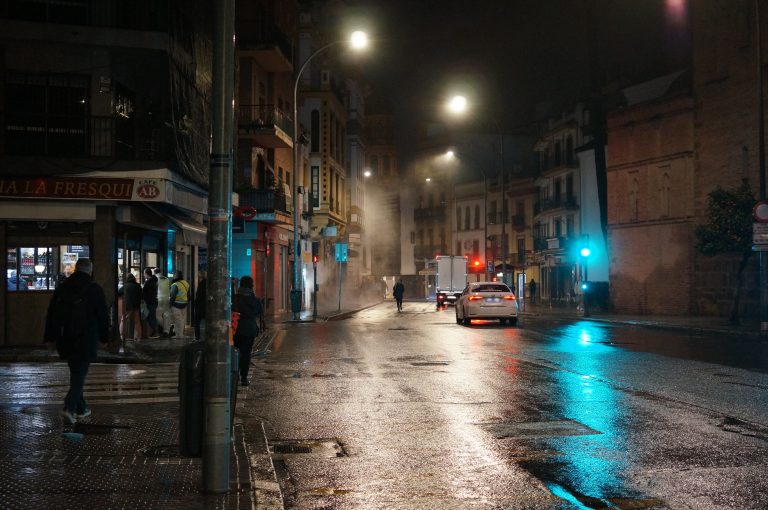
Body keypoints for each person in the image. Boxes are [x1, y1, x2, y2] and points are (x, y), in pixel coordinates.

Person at [43, 258, 108, 424]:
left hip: (65, 338)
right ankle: (69, 408)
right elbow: (103, 316)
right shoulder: (94, 289)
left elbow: (51, 314)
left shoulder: (62, 288)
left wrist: (50, 337)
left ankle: (82, 408)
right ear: (90, 271)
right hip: (85, 339)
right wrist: (105, 337)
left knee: (76, 372)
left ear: (75, 269)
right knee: (79, 374)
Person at [232, 275, 263, 386]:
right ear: (251, 285)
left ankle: (234, 375)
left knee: (234, 352)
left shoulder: (235, 298)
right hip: (249, 329)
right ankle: (244, 377)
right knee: (246, 353)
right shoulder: (254, 299)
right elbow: (259, 312)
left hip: (235, 329)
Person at [118, 273, 142, 340]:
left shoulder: (125, 286)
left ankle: (122, 336)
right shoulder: (138, 286)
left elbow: (118, 293)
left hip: (128, 306)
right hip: (136, 305)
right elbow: (142, 295)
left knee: (123, 320)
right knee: (137, 321)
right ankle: (138, 337)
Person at [169, 270, 190, 338]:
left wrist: (170, 304)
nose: (173, 276)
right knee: (182, 319)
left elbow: (172, 296)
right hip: (184, 303)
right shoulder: (186, 283)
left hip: (176, 304)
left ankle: (179, 335)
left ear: (176, 276)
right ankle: (180, 334)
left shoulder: (175, 284)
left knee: (177, 320)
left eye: (174, 274)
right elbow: (188, 293)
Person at [142, 268, 160, 338]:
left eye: (144, 274)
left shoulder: (149, 282)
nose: (143, 275)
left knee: (150, 317)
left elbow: (144, 291)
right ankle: (155, 331)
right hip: (154, 301)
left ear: (146, 274)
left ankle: (156, 332)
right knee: (152, 317)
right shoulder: (154, 280)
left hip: (150, 302)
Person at [154, 268, 171, 337]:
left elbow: (155, 288)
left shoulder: (156, 279)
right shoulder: (166, 279)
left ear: (155, 273)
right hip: (167, 298)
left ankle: (164, 328)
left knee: (158, 316)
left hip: (159, 299)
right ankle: (166, 330)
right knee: (166, 315)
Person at [194, 271, 206, 341]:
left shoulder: (202, 284)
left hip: (200, 306)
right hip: (206, 306)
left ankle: (197, 337)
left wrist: (196, 304)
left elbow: (199, 296)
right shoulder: (209, 284)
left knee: (197, 322)